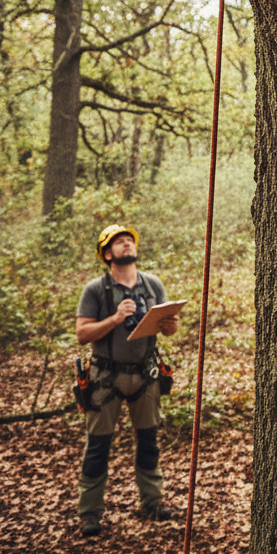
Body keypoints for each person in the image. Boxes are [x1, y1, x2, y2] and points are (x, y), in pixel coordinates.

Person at [75, 224, 179, 537]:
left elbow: (168, 331)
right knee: (98, 446)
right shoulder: (96, 290)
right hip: (104, 378)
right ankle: (90, 513)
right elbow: (82, 334)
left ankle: (152, 503)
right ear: (107, 254)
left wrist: (170, 324)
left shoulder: (152, 284)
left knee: (148, 442)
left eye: (129, 241)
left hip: (146, 375)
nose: (126, 245)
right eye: (119, 243)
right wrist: (115, 319)